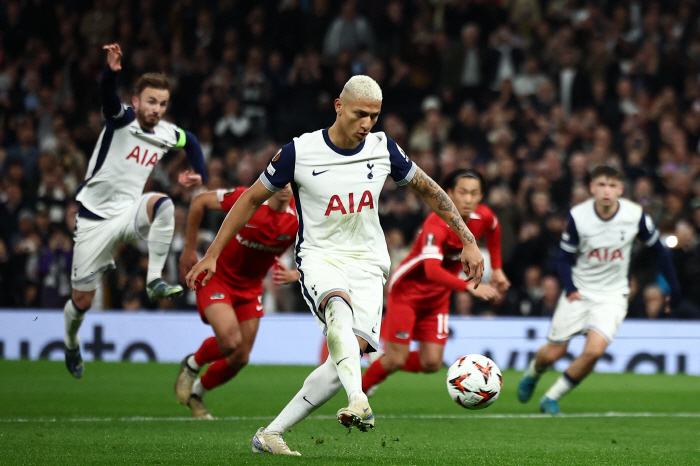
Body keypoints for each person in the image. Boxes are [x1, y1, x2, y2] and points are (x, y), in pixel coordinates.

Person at [185, 75, 484, 456]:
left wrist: (468, 240)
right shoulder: (299, 151)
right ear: (339, 106)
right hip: (320, 257)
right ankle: (359, 398)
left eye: (374, 116)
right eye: (361, 114)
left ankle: (270, 434)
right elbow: (249, 200)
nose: (367, 124)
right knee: (337, 310)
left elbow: (427, 188)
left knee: (346, 356)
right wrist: (212, 252)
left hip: (370, 264)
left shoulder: (382, 148)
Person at [63, 43, 207, 379]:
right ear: (136, 101)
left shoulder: (167, 132)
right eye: (151, 101)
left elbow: (193, 142)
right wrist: (109, 73)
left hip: (128, 212)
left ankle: (154, 279)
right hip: (93, 220)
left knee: (164, 204)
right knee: (82, 301)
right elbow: (107, 98)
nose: (156, 109)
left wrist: (200, 173)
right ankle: (71, 342)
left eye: (162, 103)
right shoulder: (122, 119)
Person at [517, 165, 681, 414]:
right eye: (601, 185)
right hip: (579, 291)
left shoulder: (635, 215)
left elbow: (659, 251)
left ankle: (551, 398)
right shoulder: (578, 216)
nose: (607, 191)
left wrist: (674, 287)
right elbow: (564, 258)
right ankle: (533, 372)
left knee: (594, 351)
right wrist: (569, 286)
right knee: (552, 354)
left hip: (613, 295)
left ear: (621, 189)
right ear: (592, 188)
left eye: (612, 185)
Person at [362, 169, 510, 396]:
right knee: (396, 360)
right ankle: (356, 394)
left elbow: (494, 228)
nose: (468, 199)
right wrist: (468, 286)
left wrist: (498, 269)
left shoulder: (483, 216)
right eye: (462, 193)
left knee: (431, 363)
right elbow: (431, 271)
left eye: (474, 193)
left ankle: (384, 358)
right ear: (448, 193)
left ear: (481, 196)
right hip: (406, 293)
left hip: (437, 297)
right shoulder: (437, 223)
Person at [174, 184, 298, 419]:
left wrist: (296, 274)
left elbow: (316, 251)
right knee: (230, 341)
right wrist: (189, 249)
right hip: (216, 277)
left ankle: (196, 394)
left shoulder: (300, 214)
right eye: (282, 179)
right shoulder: (247, 198)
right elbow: (199, 201)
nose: (285, 186)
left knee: (240, 357)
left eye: (291, 181)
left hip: (251, 287)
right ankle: (192, 364)